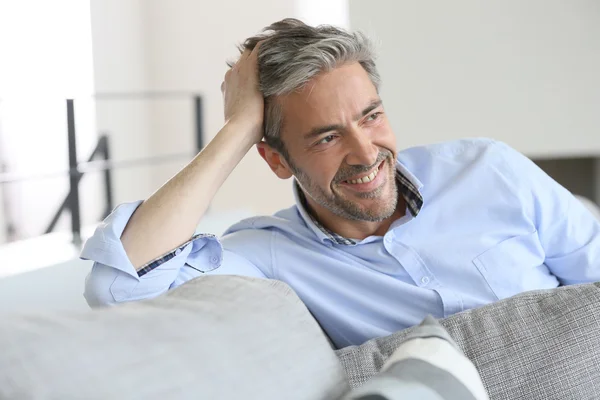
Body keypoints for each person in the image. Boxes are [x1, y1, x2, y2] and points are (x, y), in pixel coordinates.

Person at [82, 18, 600, 349]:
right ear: (276, 160)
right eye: (327, 137)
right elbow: (123, 285)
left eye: (371, 116)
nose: (366, 154)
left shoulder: (489, 170)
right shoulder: (270, 253)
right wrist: (239, 127)